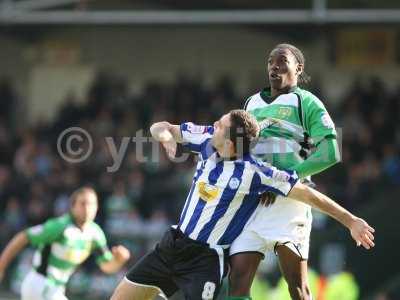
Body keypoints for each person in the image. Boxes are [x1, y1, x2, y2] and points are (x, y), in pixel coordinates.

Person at [110, 109, 374, 300]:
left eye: (221, 125)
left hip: (205, 260)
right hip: (172, 245)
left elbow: (307, 194)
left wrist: (350, 220)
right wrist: (165, 136)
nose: (214, 123)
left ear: (231, 143)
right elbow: (161, 126)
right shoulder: (205, 139)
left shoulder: (254, 172)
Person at [228, 43, 342, 300]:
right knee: (237, 282)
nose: (274, 66)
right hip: (255, 200)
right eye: (270, 61)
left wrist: (283, 178)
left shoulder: (306, 102)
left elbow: (331, 151)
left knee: (297, 288)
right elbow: (241, 149)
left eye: (282, 61)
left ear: (298, 68)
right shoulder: (251, 102)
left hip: (290, 201)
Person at [0, 186, 130, 300]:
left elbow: (106, 266)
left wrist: (119, 260)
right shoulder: (60, 226)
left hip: (55, 289)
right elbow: (24, 236)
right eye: (83, 203)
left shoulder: (95, 234)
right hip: (40, 284)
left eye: (91, 204)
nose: (87, 208)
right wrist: (1, 265)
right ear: (73, 206)